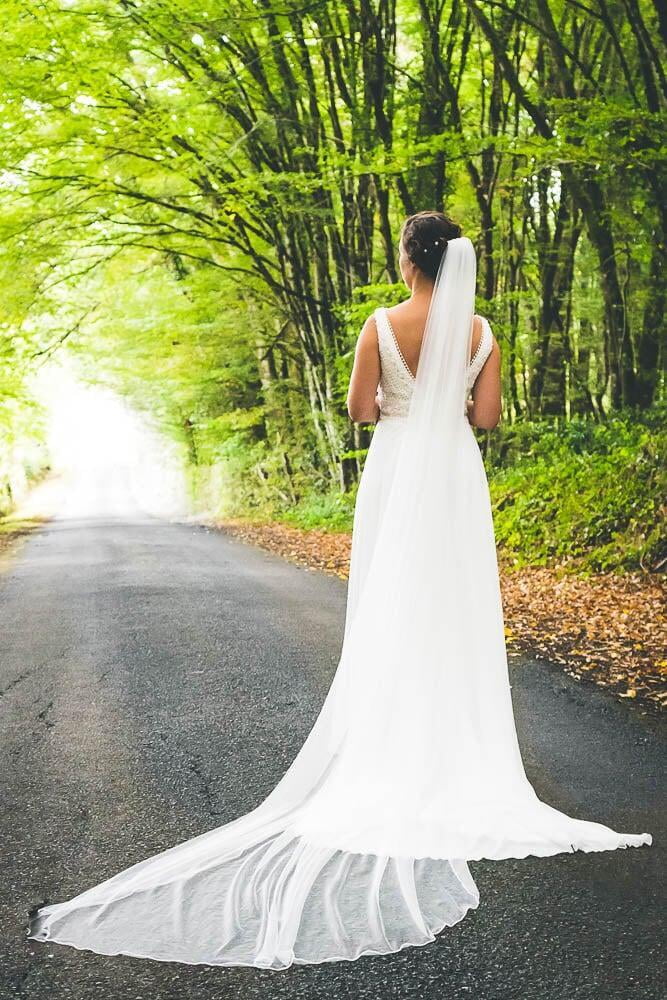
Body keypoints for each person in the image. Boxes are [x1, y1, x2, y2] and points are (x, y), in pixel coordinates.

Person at [28, 212, 651, 970]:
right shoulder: (481, 331)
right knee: (453, 611)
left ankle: (392, 748)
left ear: (406, 259)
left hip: (394, 468)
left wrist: (397, 398)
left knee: (392, 609)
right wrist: (446, 403)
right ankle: (464, 755)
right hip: (454, 474)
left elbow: (359, 411)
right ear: (456, 263)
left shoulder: (379, 324)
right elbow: (484, 417)